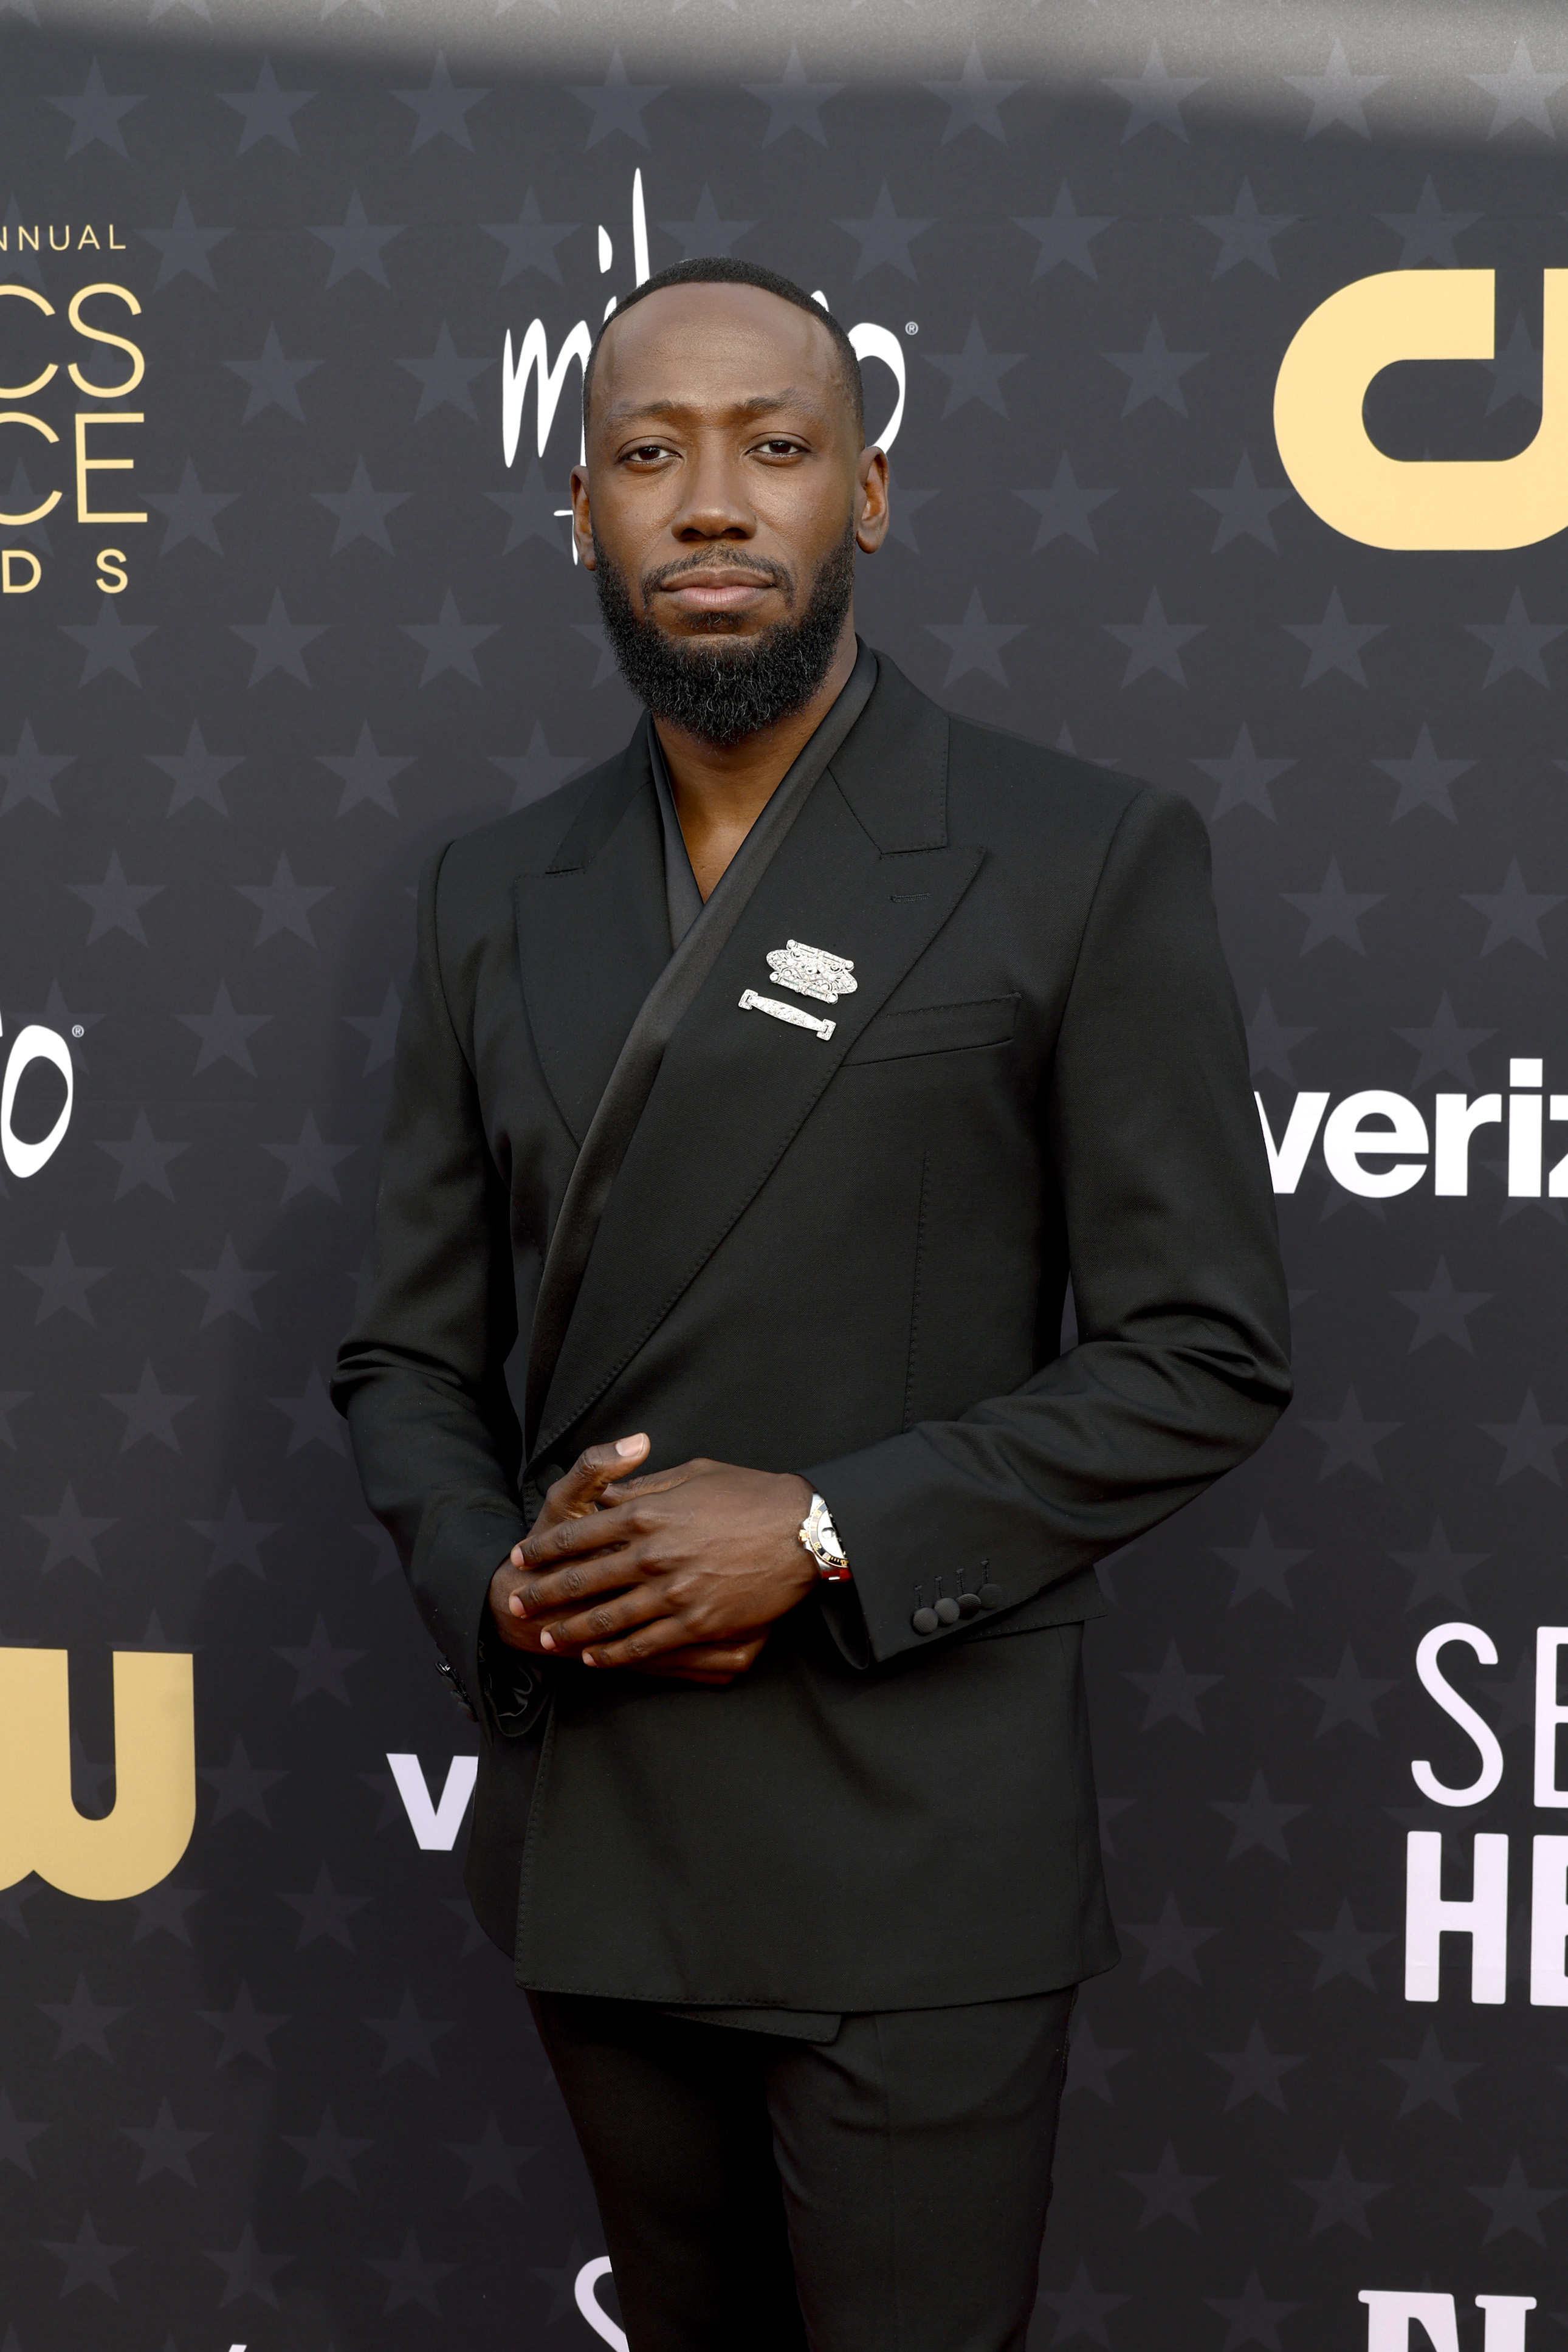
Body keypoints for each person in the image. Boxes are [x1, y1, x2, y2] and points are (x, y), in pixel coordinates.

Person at [332, 256, 1291, 2352]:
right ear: (572, 505)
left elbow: (1205, 1347)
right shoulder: (489, 893)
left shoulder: (1076, 854)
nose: (709, 502)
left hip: (917, 1842)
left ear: (868, 492)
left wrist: (828, 1524)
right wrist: (498, 1580)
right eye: (648, 453)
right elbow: (406, 1352)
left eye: (774, 447)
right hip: (611, 1825)